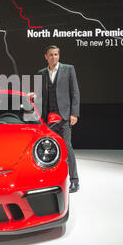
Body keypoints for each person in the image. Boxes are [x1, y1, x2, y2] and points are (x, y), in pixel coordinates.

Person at [30, 45, 80, 193]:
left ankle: (74, 180)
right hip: (47, 118)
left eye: (56, 54)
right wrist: (34, 95)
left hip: (64, 117)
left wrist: (74, 113)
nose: (54, 57)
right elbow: (40, 94)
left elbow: (75, 92)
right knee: (45, 148)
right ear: (46, 57)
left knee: (67, 147)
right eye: (51, 55)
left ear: (59, 56)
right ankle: (46, 180)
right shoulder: (41, 73)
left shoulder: (69, 69)